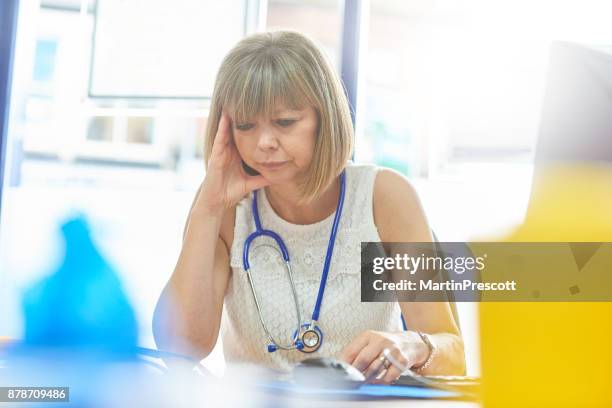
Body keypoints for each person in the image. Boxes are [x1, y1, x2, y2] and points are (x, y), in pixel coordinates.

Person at [153, 30, 465, 383]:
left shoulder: (384, 197)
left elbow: (453, 354)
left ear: (324, 118)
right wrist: (206, 211)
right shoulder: (224, 207)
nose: (265, 143)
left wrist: (413, 345)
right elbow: (179, 350)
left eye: (285, 122)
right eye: (245, 125)